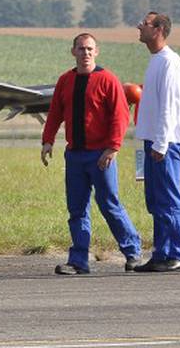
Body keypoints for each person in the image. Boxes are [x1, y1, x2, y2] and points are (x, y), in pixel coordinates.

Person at [41, 33, 141, 275]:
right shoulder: (65, 80)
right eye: (81, 49)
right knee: (76, 209)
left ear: (96, 52)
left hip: (101, 156)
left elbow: (120, 116)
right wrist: (47, 140)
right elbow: (55, 112)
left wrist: (113, 147)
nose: (85, 53)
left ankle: (133, 253)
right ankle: (78, 261)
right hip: (75, 155)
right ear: (73, 52)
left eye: (89, 49)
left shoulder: (108, 80)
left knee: (109, 204)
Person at [132, 12, 180, 272]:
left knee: (169, 198)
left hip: (165, 142)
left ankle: (178, 253)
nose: (139, 26)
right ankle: (161, 253)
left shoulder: (170, 62)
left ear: (158, 30)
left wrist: (161, 143)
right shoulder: (156, 60)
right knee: (156, 200)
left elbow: (169, 106)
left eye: (144, 23)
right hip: (153, 141)